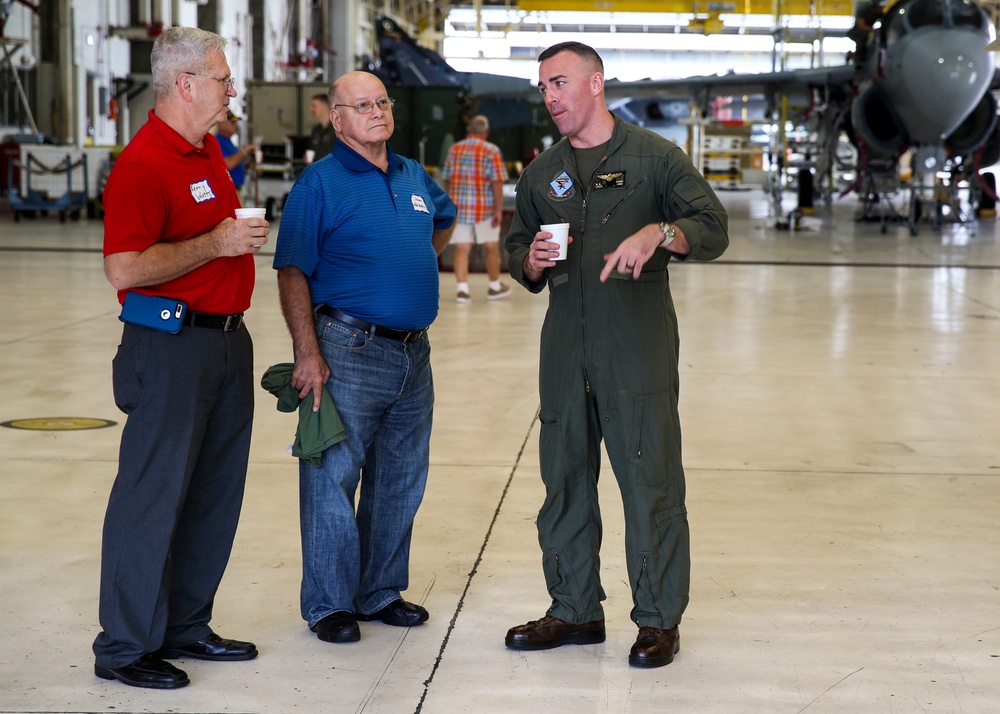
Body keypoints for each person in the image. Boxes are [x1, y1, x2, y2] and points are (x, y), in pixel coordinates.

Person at [503, 41, 729, 669]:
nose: (549, 97)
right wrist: (528, 260)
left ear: (596, 83)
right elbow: (516, 244)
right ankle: (574, 609)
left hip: (636, 354)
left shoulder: (655, 158)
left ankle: (657, 620)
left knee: (649, 481)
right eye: (543, 86)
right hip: (563, 355)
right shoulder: (541, 172)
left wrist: (659, 232)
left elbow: (711, 225)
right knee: (565, 481)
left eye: (560, 83)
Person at [93, 26, 269, 690]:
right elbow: (125, 266)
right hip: (168, 345)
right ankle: (125, 645)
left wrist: (226, 243)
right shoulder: (144, 164)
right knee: (153, 495)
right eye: (224, 79)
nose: (231, 89)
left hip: (225, 341)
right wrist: (216, 245)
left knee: (213, 493)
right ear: (186, 83)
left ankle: (186, 625)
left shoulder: (207, 153)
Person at [272, 71, 456, 645]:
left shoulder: (411, 174)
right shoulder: (319, 184)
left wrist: (408, 265)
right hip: (346, 351)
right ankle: (329, 603)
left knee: (399, 477)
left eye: (382, 101)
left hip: (412, 354)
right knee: (332, 477)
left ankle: (378, 592)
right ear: (337, 118)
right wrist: (308, 353)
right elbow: (292, 270)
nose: (376, 112)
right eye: (361, 105)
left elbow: (443, 221)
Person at [441, 114, 511, 302]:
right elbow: (497, 183)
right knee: (491, 247)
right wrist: (498, 210)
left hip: (460, 209)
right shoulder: (492, 151)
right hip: (484, 209)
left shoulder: (454, 149)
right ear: (486, 132)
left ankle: (462, 290)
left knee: (462, 248)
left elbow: (446, 178)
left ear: (468, 130)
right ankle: (494, 287)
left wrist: (452, 200)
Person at [214, 109, 256, 196]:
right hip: (227, 192)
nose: (236, 126)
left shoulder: (229, 142)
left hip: (236, 190)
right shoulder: (217, 142)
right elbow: (227, 164)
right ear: (222, 123)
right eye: (232, 122)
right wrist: (245, 150)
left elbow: (235, 163)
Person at [306, 93, 336, 163]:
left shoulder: (337, 129)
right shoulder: (316, 130)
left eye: (314, 106)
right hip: (318, 170)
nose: (311, 110)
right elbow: (311, 150)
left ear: (325, 106)